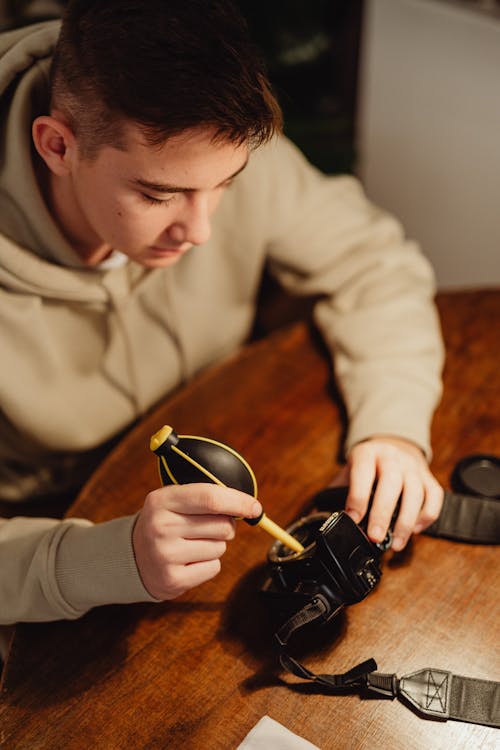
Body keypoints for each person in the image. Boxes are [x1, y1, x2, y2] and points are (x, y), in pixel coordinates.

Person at [0, 0, 444, 632]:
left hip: (233, 472)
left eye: (227, 183)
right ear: (57, 145)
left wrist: (393, 429)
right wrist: (103, 559)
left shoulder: (210, 137)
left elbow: (373, 262)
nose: (201, 230)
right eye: (158, 194)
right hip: (51, 569)